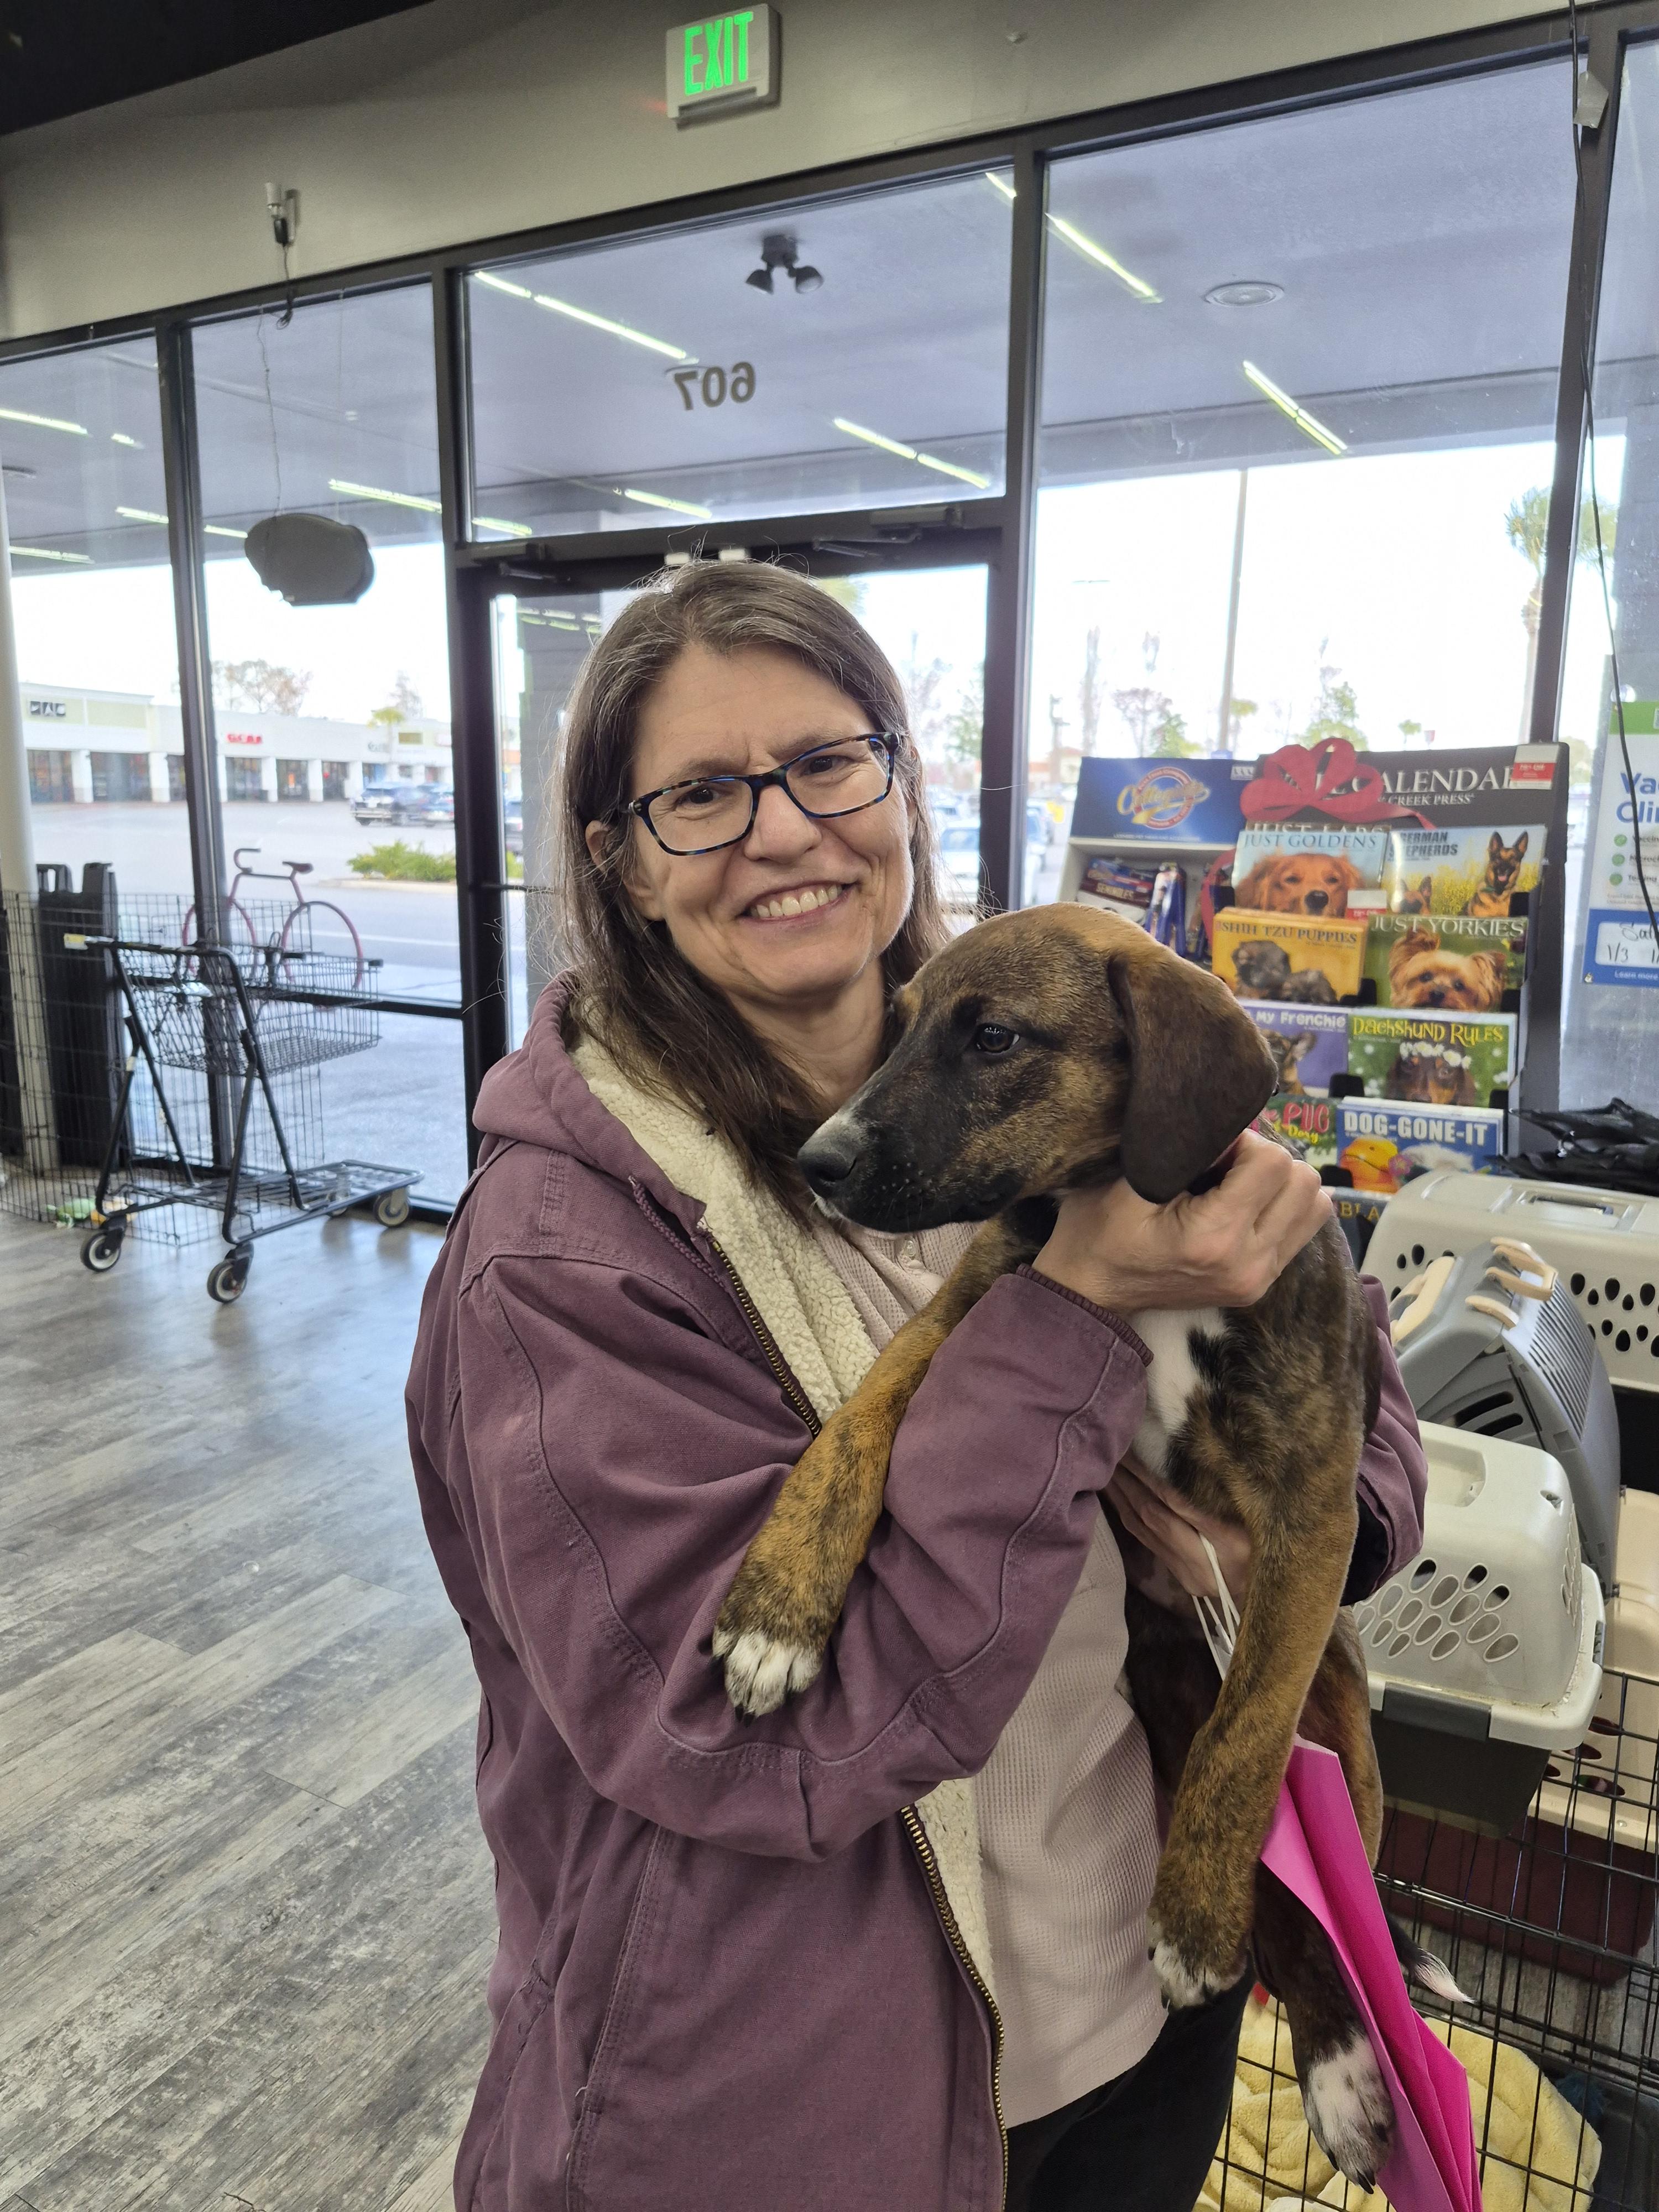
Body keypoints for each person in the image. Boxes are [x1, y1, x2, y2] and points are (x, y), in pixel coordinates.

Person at [405, 563, 1426, 2212]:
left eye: (830, 761)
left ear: (899, 786)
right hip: (816, 2104)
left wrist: (1312, 1537)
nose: (787, 828)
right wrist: (1077, 1317)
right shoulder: (561, 1265)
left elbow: (1339, 1381)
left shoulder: (1039, 1040)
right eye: (701, 795)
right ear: (619, 861)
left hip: (1135, 2008)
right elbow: (748, 1739)